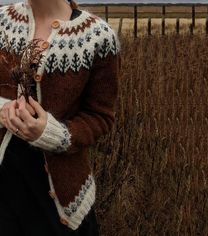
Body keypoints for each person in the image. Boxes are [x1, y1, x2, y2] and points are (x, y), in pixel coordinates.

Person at [0, 0, 121, 235]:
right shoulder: (2, 22)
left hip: (60, 200)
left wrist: (53, 134)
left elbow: (101, 117)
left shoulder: (98, 37)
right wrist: (4, 109)